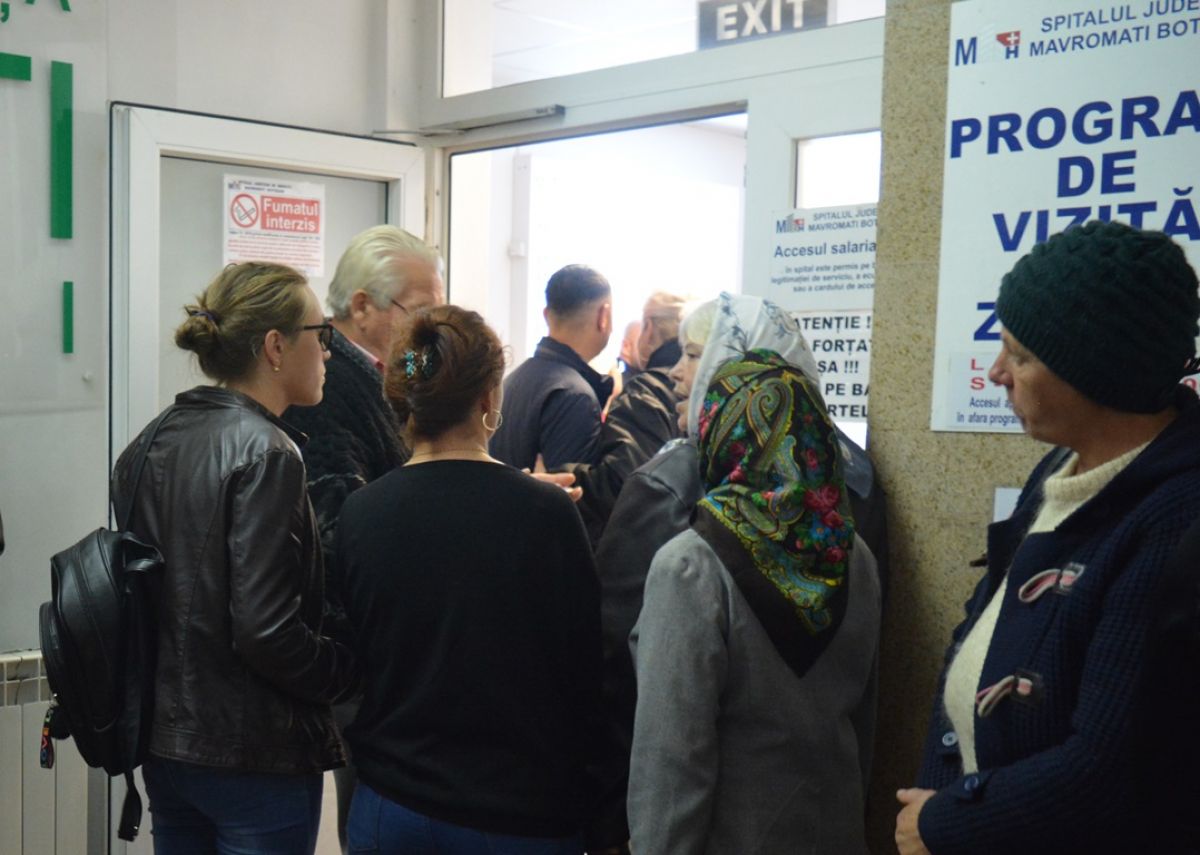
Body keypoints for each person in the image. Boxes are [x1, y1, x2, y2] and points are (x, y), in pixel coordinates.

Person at [897, 221, 1200, 855]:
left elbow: (1106, 770)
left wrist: (944, 824)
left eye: (1021, 356)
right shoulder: (1061, 467)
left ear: (1097, 373)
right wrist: (942, 793)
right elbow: (980, 631)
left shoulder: (1177, 523)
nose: (996, 372)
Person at [336, 304, 622, 855]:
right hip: (517, 813)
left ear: (405, 399)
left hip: (391, 804)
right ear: (490, 400)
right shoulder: (546, 514)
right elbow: (585, 673)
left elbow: (361, 660)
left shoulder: (360, 512)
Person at [110, 262, 359, 854]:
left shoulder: (150, 441)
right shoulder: (269, 453)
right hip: (253, 754)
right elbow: (266, 631)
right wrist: (348, 670)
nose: (329, 351)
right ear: (275, 346)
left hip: (167, 747)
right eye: (321, 334)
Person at [627, 347, 882, 854]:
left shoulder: (690, 567)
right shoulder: (854, 557)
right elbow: (866, 728)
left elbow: (672, 761)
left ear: (722, 437)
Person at [283, 224, 443, 852]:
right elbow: (341, 521)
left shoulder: (396, 371)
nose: (432, 328)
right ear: (362, 307)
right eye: (421, 309)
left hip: (385, 648)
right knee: (375, 816)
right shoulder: (328, 384)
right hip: (361, 648)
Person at [562, 290, 688, 544]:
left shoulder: (646, 392)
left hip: (641, 548)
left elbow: (623, 481)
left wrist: (561, 474)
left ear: (648, 329)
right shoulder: (702, 391)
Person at [489, 264, 614, 470]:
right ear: (604, 316)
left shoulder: (511, 382)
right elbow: (567, 489)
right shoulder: (575, 397)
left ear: (546, 315)